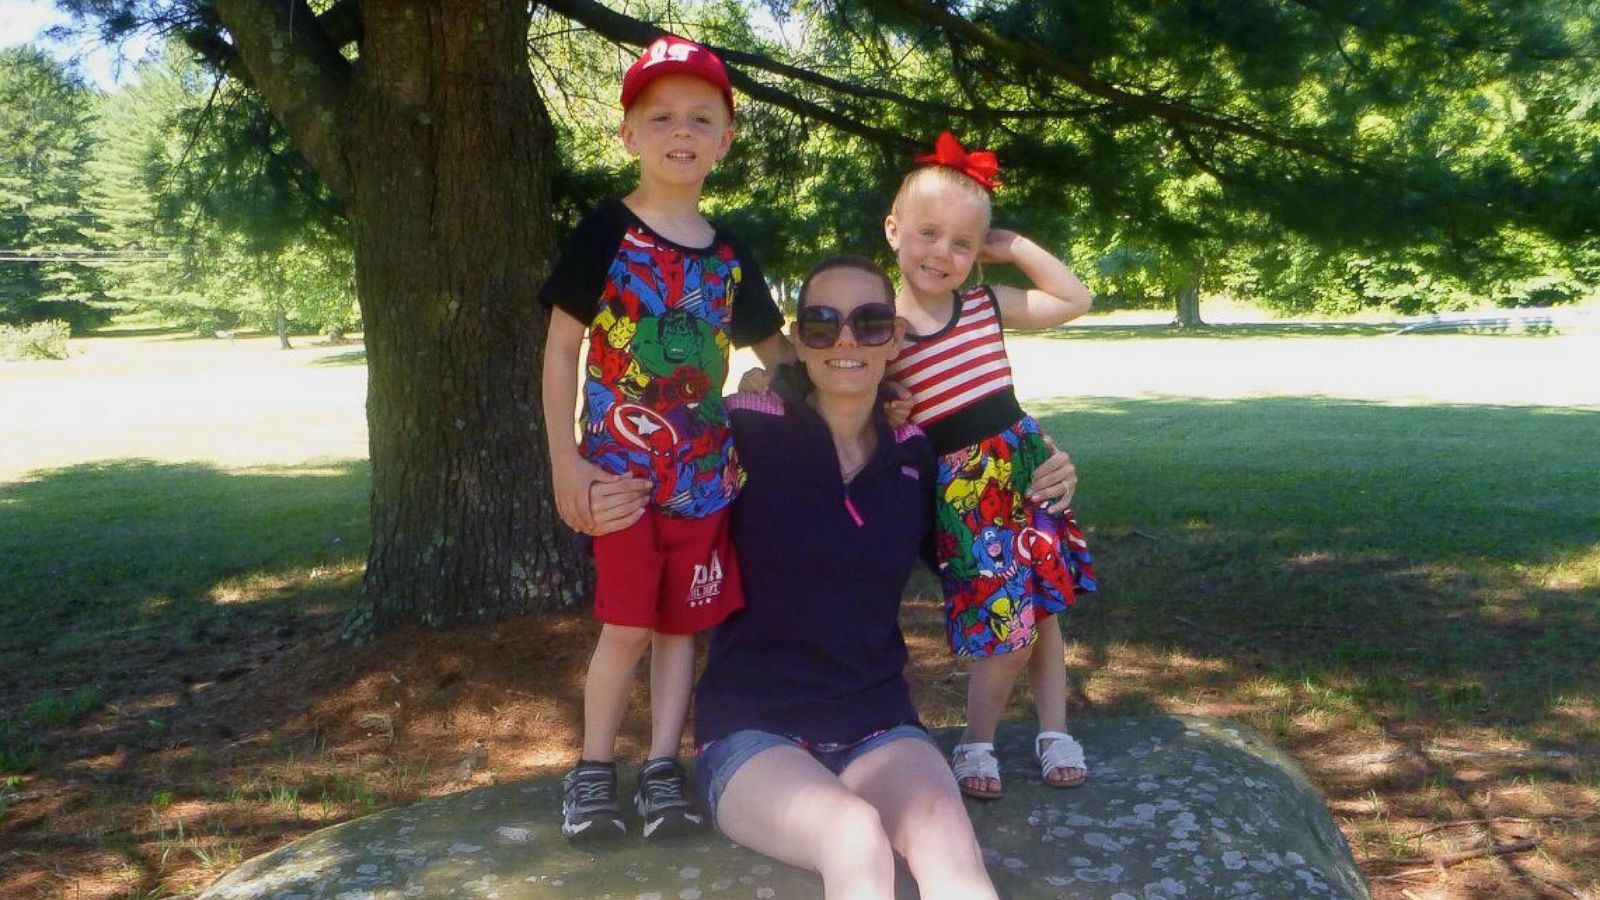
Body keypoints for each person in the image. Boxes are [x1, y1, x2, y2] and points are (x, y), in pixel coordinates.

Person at [538, 34, 791, 843]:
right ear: (629, 135)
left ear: (726, 136)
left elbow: (777, 354)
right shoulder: (604, 232)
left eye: (700, 117)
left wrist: (767, 382)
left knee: (684, 628)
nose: (680, 132)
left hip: (704, 482)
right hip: (617, 479)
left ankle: (661, 771)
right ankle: (590, 772)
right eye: (661, 117)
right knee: (626, 625)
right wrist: (562, 462)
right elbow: (559, 348)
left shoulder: (730, 254)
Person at [883, 131, 1098, 800]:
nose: (942, 253)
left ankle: (1054, 730)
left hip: (1026, 470)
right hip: (960, 492)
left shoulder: (984, 306)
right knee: (1004, 626)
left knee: (1045, 609)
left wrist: (1016, 247)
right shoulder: (881, 329)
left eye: (962, 243)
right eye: (927, 233)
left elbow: (1074, 299)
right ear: (893, 231)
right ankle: (976, 741)